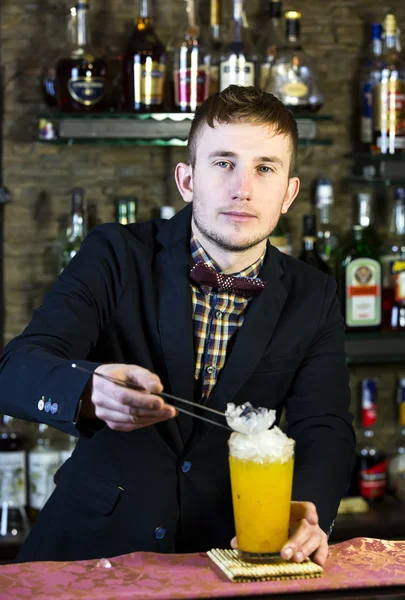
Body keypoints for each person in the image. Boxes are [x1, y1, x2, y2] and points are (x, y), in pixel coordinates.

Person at [0, 85, 355, 566]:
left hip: (229, 556)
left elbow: (325, 427)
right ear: (187, 180)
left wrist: (310, 513)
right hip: (89, 548)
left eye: (265, 168)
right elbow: (16, 367)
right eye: (223, 163)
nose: (243, 188)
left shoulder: (315, 294)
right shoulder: (114, 255)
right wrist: (88, 389)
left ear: (288, 192)